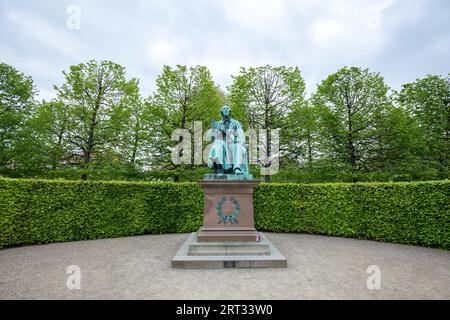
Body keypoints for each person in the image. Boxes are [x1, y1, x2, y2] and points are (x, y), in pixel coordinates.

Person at [208, 105, 249, 175]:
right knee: (217, 146)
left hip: (232, 143)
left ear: (230, 111)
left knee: (237, 146)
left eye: (227, 109)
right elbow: (211, 138)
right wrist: (213, 129)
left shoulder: (236, 123)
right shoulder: (217, 124)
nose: (226, 110)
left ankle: (237, 168)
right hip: (221, 143)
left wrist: (233, 138)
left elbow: (241, 135)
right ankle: (220, 169)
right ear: (221, 112)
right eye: (224, 109)